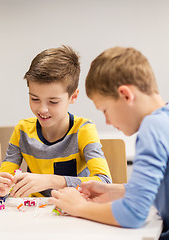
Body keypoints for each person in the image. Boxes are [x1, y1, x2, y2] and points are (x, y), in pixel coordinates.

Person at [48, 47, 169, 239]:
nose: (107, 122)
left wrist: (80, 207)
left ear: (126, 95)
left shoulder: (152, 127)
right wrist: (114, 190)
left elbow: (133, 214)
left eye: (105, 110)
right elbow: (159, 186)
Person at [0, 45, 112, 199]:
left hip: (73, 212)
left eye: (53, 102)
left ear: (73, 97)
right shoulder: (22, 131)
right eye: (34, 99)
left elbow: (104, 183)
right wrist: (0, 189)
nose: (43, 109)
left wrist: (50, 180)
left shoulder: (83, 129)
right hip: (34, 213)